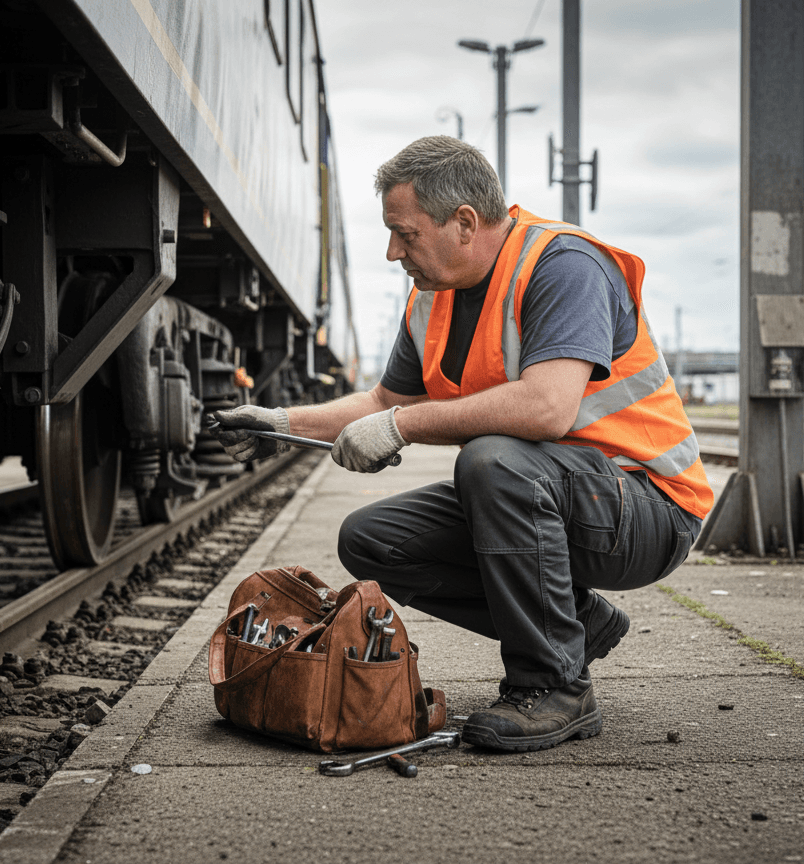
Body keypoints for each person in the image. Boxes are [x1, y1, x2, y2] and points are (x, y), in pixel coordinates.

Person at [213, 136, 713, 752]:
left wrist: (405, 429)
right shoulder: (432, 297)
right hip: (555, 497)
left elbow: (546, 406)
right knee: (373, 540)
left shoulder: (563, 265)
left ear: (465, 222)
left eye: (405, 233)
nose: (392, 251)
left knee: (491, 460)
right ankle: (576, 626)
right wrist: (282, 425)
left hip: (646, 507)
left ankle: (554, 685)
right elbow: (382, 403)